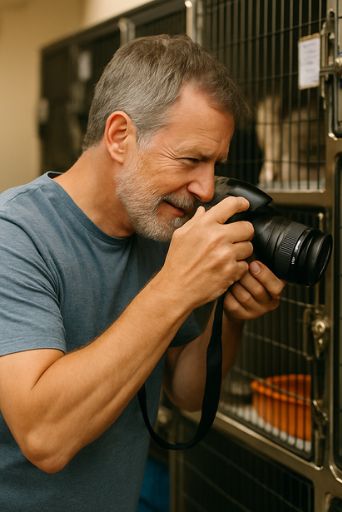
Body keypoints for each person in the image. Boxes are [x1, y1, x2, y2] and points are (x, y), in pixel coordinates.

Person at [0, 34, 285, 512]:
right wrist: (175, 288)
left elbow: (188, 391)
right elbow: (45, 437)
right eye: (192, 159)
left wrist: (228, 313)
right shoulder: (17, 234)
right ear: (119, 136)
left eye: (215, 164)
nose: (205, 187)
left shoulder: (159, 226)